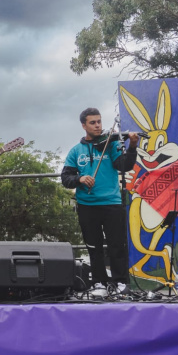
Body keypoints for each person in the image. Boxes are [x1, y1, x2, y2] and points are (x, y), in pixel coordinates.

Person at [61, 107, 138, 296]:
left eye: (99, 122)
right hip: (87, 205)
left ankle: (120, 282)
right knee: (93, 247)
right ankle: (99, 283)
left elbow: (124, 165)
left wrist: (133, 146)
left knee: (117, 245)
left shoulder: (110, 145)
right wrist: (79, 179)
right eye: (93, 123)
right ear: (83, 125)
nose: (97, 126)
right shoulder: (75, 151)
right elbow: (66, 178)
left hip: (111, 202)